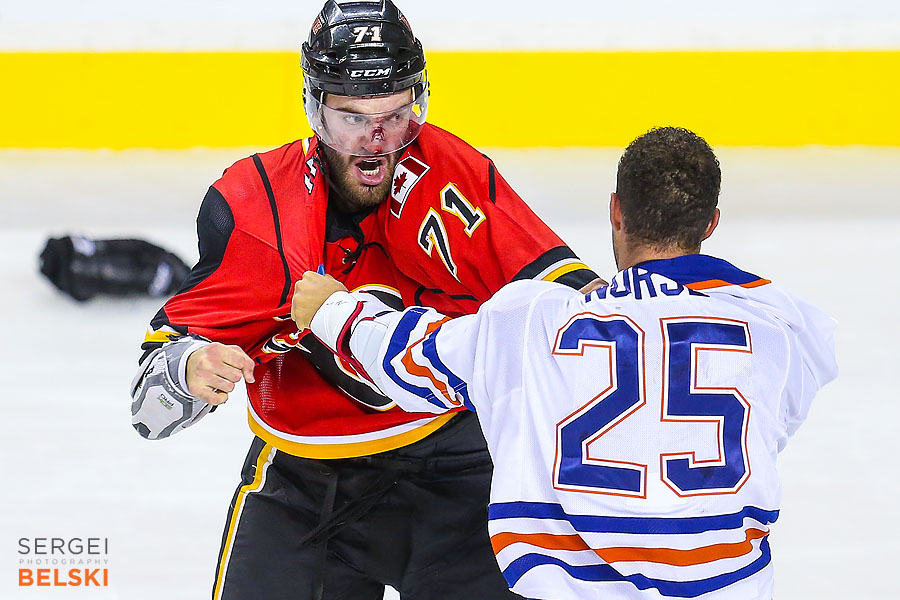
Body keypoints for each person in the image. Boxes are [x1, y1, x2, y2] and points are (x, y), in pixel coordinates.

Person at [129, 1, 598, 599]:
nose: (377, 141)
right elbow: (149, 411)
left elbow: (579, 310)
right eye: (353, 118)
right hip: (303, 486)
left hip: (456, 476)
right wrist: (189, 371)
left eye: (396, 115)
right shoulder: (254, 210)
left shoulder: (453, 179)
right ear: (315, 107)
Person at [291, 127, 839, 600]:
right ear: (712, 223)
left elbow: (411, 359)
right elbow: (766, 424)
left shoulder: (530, 325)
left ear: (615, 211)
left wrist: (334, 311)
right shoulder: (778, 333)